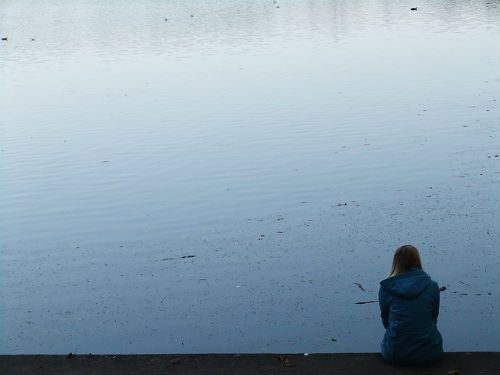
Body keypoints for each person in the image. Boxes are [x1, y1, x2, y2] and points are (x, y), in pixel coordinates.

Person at [378, 244, 443, 365]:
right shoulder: (432, 286)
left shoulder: (386, 288)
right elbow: (434, 318)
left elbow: (386, 321)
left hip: (395, 354)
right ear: (418, 261)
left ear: (396, 263)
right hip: (430, 353)